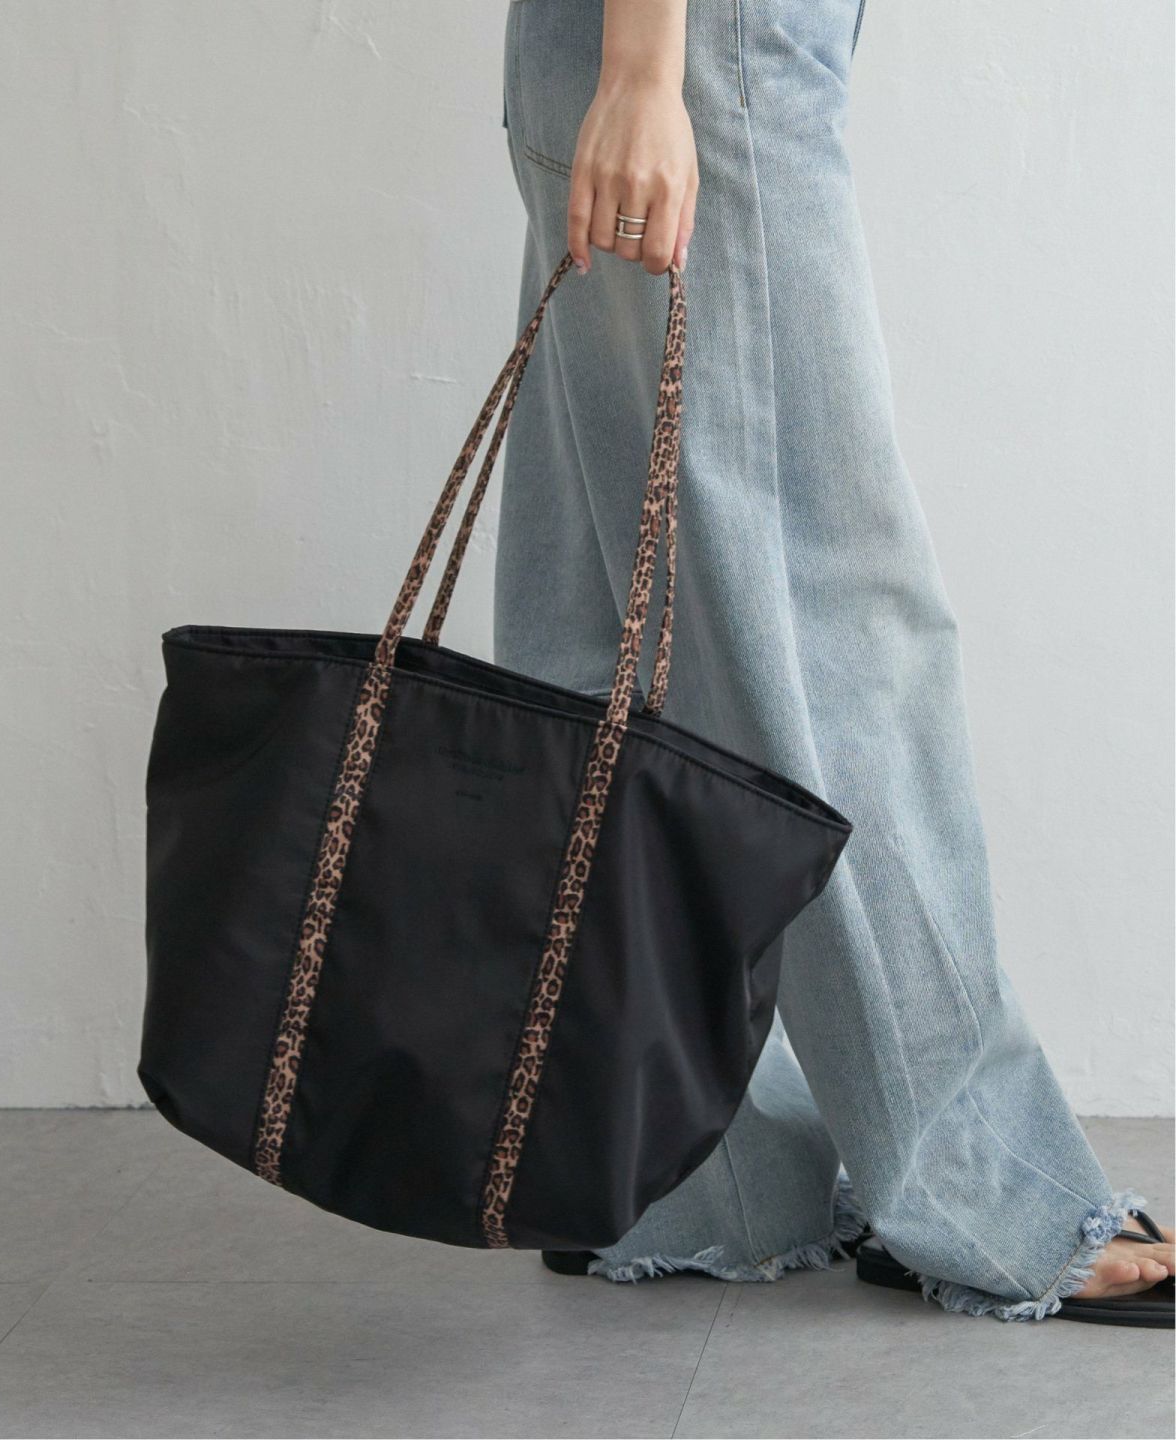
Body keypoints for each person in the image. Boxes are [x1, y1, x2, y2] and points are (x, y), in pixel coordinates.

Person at [492, 0, 1173, 1324]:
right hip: (701, 47)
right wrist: (647, 68)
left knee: (621, 612)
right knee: (834, 626)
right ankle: (977, 1181)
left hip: (626, 46)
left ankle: (684, 1168)